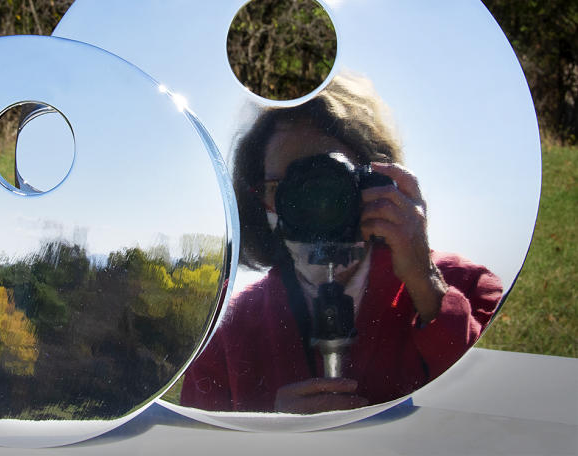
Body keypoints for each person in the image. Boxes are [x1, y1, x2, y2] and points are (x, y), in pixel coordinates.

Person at [180, 73, 503, 413]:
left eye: (328, 182)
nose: (313, 203)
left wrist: (427, 285)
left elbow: (498, 414)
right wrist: (263, 435)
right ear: (260, 200)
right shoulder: (228, 334)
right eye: (285, 188)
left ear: (375, 180)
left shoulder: (469, 286)